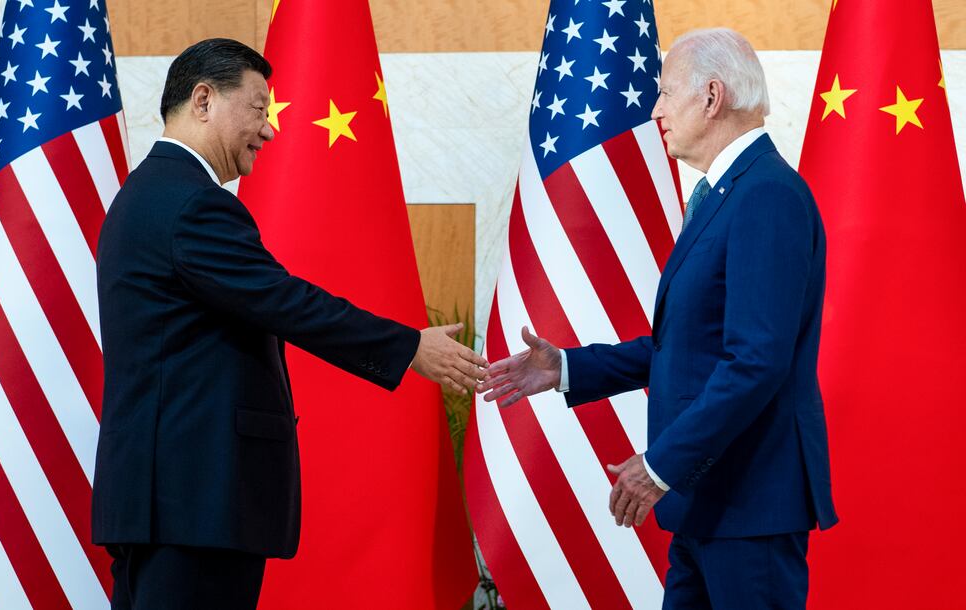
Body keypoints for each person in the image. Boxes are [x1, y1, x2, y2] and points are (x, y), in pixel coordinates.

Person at [92, 38, 487, 609]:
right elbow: (285, 301)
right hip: (195, 505)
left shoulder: (143, 195)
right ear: (203, 100)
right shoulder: (192, 204)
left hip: (160, 501)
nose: (269, 129)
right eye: (257, 108)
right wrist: (407, 348)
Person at [480, 28, 837, 608]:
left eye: (667, 93)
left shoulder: (766, 195)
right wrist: (567, 368)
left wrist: (661, 466)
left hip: (748, 504)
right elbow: (687, 346)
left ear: (712, 97)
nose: (655, 109)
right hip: (706, 503)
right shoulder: (728, 194)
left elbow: (755, 361)